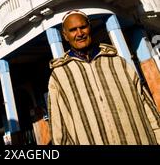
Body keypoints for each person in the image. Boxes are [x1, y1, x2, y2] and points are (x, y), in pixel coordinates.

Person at [48, 10, 160, 145]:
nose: (79, 33)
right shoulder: (59, 75)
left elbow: (145, 103)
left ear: (90, 27)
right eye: (73, 30)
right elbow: (58, 125)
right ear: (65, 36)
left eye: (83, 27)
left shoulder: (118, 62)